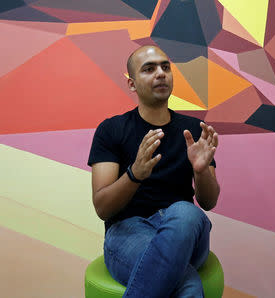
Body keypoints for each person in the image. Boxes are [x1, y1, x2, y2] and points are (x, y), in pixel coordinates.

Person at [88, 45, 220, 298]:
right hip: (127, 232)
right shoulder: (111, 130)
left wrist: (201, 171)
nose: (160, 73)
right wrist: (135, 174)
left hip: (185, 233)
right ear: (132, 84)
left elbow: (208, 202)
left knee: (185, 211)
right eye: (149, 69)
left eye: (165, 67)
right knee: (186, 282)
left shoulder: (192, 130)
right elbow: (103, 208)